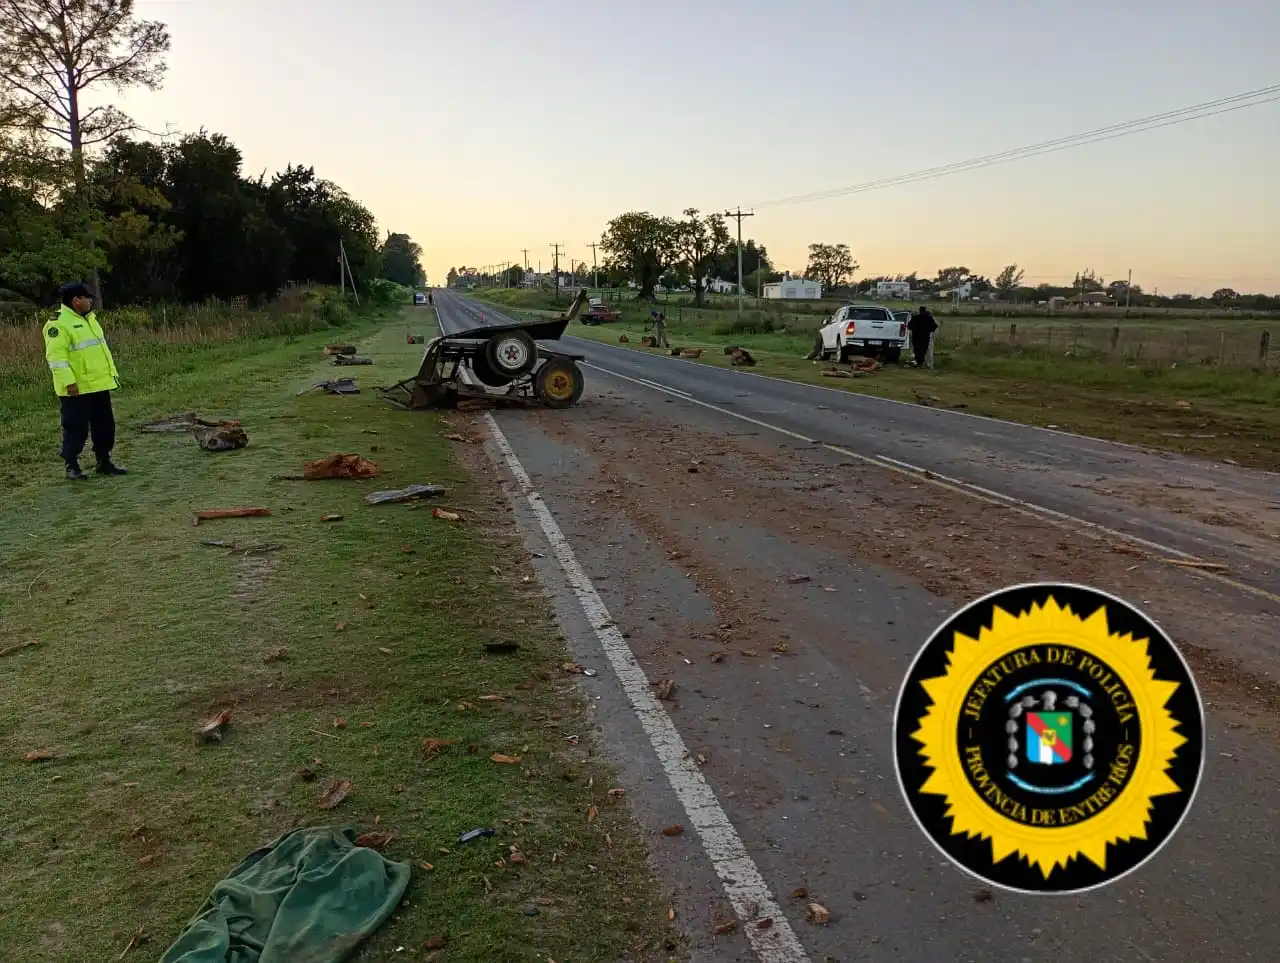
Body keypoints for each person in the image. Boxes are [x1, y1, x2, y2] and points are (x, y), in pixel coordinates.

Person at [44, 282, 127, 480]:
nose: (91, 301)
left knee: (105, 426)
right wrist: (69, 383)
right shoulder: (57, 324)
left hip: (99, 384)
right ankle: (71, 465)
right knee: (75, 428)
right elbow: (56, 358)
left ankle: (103, 461)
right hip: (77, 389)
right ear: (76, 300)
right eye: (87, 298)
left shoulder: (91, 320)